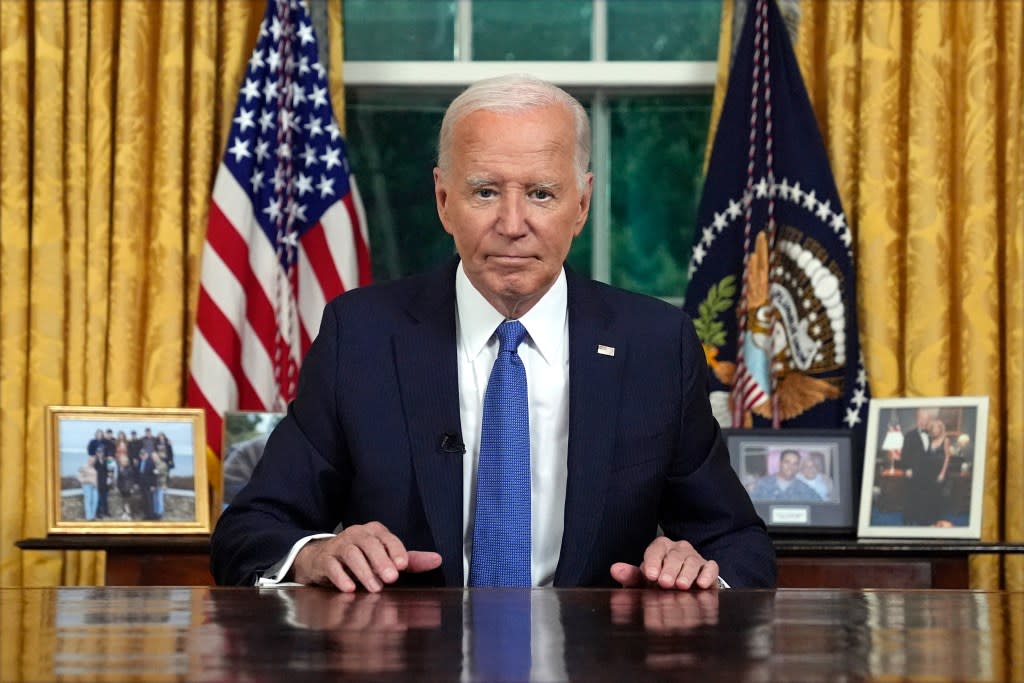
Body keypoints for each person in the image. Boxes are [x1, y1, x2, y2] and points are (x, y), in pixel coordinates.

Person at [210, 74, 776, 592]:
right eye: (485, 191)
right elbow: (253, 530)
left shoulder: (656, 343)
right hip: (406, 661)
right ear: (443, 200)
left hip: (600, 661)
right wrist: (314, 554)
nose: (511, 224)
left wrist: (699, 572)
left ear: (581, 204)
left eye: (541, 194)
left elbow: (738, 545)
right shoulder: (361, 335)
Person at [750, 450, 822, 502]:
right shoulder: (762, 484)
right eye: (787, 462)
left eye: (795, 463)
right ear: (780, 463)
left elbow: (821, 507)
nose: (790, 467)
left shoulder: (805, 489)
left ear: (798, 467)